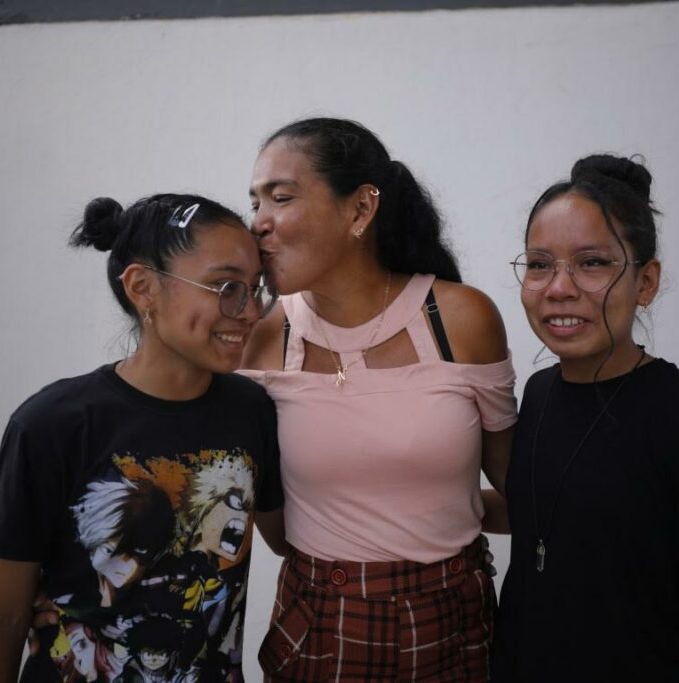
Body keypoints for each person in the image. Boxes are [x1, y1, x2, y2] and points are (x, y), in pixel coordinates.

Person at [0, 193, 286, 682]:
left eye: (256, 288)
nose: (249, 311)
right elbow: (3, 617)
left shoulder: (251, 410)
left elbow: (290, 539)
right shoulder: (53, 425)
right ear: (143, 287)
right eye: (226, 287)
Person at [492, 155, 679, 681]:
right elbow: (554, 512)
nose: (559, 288)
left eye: (592, 263)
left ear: (646, 282)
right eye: (539, 264)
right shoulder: (539, 394)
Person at [241, 117, 517, 681]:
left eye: (281, 198)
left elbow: (522, 491)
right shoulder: (262, 338)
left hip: (452, 622)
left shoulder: (461, 319)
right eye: (254, 203)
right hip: (317, 624)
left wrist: (442, 515)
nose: (258, 223)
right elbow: (274, 523)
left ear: (361, 210)